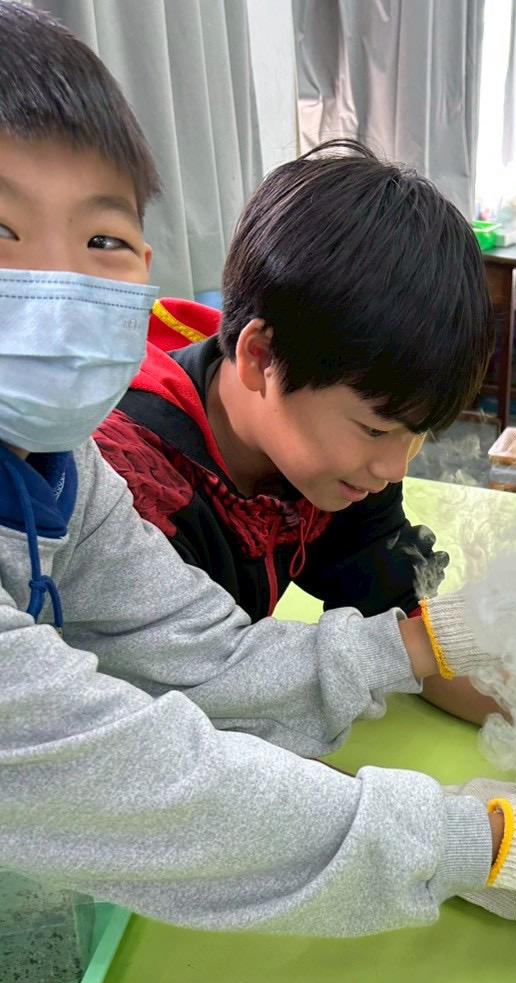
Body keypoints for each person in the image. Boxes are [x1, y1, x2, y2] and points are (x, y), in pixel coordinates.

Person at [0, 1, 516, 983]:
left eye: (102, 239)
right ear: (259, 358)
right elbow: (154, 768)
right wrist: (486, 842)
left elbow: (213, 659)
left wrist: (456, 640)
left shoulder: (63, 475)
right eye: (3, 229)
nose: (56, 285)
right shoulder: (141, 468)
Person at [94, 141, 495, 726]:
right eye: (376, 428)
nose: (395, 467)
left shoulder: (333, 458)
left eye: (417, 436)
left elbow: (406, 624)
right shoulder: (129, 488)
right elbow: (195, 701)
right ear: (260, 356)